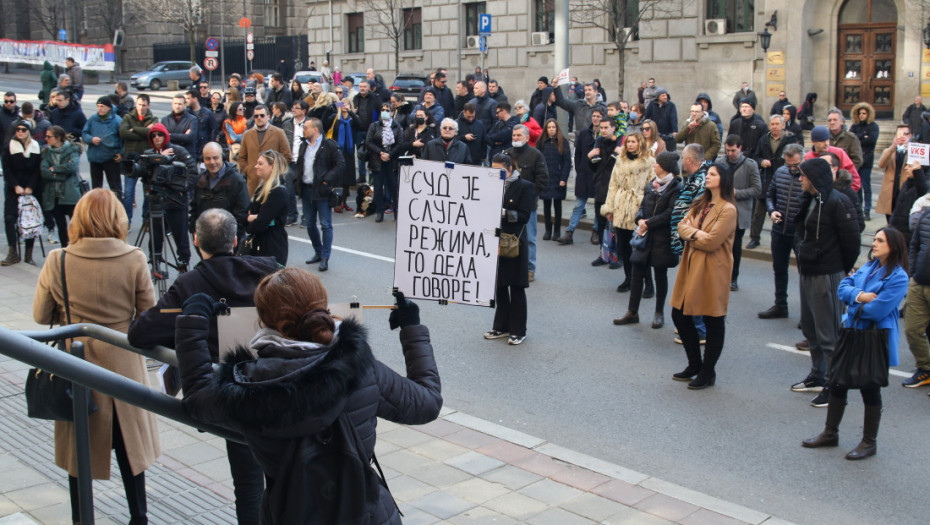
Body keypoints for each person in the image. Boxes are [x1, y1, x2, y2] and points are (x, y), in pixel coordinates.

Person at [174, 268, 441, 523]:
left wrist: (192, 322)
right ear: (324, 307)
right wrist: (412, 329)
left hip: (290, 513)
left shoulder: (248, 387)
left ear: (264, 321)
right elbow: (427, 403)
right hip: (365, 513)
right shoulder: (359, 366)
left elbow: (197, 399)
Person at [128, 208, 277, 524]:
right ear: (236, 240)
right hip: (281, 385)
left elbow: (141, 333)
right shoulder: (270, 272)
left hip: (235, 397)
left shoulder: (191, 284)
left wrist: (190, 332)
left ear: (196, 242)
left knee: (248, 485)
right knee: (287, 476)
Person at [32, 189, 160, 525]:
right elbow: (148, 314)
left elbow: (39, 313)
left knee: (80, 453)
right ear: (117, 218)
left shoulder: (58, 259)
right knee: (130, 450)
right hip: (124, 366)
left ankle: (81, 518)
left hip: (76, 365)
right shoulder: (134, 257)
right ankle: (139, 516)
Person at [803, 227, 909, 460]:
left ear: (893, 246)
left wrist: (853, 300)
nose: (875, 244)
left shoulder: (898, 276)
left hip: (874, 337)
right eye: (875, 239)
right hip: (852, 331)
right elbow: (843, 288)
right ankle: (830, 433)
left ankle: (869, 442)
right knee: (838, 380)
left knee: (869, 386)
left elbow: (878, 309)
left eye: (881, 240)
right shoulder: (870, 267)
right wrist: (860, 296)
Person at [790, 157, 861, 407]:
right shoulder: (809, 200)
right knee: (811, 330)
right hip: (808, 271)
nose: (800, 180)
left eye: (803, 176)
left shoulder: (838, 202)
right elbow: (801, 231)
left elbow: (852, 242)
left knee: (829, 333)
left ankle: (835, 385)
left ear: (814, 178)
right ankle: (817, 375)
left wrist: (837, 268)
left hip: (827, 274)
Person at [670, 162, 738, 389]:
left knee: (713, 319)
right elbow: (681, 226)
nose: (707, 177)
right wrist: (695, 233)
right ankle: (695, 364)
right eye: (707, 174)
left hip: (712, 270)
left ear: (723, 179)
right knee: (679, 314)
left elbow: (712, 242)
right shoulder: (702, 203)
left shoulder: (728, 209)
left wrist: (693, 233)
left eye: (712, 174)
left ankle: (708, 372)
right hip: (691, 266)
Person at [614, 151, 681, 329]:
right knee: (637, 274)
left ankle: (659, 313)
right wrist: (640, 219)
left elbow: (670, 214)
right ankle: (632, 312)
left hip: (662, 239)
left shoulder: (676, 188)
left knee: (660, 275)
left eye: (658, 163)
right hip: (646, 238)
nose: (655, 165)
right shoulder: (652, 184)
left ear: (666, 167)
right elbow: (642, 207)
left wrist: (648, 224)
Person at [484, 154, 535, 345]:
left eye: (501, 171)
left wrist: (503, 212)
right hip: (494, 241)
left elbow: (524, 216)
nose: (497, 173)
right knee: (499, 285)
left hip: (513, 243)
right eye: (494, 169)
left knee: (516, 287)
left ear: (511, 169)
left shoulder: (525, 187)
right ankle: (501, 327)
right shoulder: (489, 184)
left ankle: (518, 330)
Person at [601, 132, 655, 293]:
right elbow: (613, 185)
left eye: (633, 141)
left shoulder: (649, 162)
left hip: (639, 207)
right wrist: (609, 208)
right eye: (628, 142)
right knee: (624, 247)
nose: (630, 144)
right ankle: (628, 278)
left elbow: (652, 187)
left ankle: (648, 283)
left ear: (640, 143)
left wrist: (646, 210)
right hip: (621, 206)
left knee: (641, 248)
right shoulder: (620, 161)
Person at [759, 144, 807, 319]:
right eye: (789, 165)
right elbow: (770, 195)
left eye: (796, 165)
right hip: (780, 228)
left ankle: (807, 313)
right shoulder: (780, 172)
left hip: (800, 232)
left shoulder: (808, 176)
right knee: (779, 268)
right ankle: (780, 305)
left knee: (805, 273)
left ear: (803, 158)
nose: (793, 169)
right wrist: (772, 211)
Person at [144, 123, 197, 272]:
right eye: (153, 135)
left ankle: (184, 263)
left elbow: (193, 171)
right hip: (156, 201)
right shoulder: (148, 154)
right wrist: (158, 158)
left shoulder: (178, 151)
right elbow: (144, 175)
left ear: (165, 136)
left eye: (159, 135)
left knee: (180, 236)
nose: (157, 138)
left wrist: (184, 188)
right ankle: (155, 262)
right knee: (155, 236)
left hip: (176, 201)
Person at [297, 118, 345, 271]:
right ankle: (318, 252)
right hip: (306, 189)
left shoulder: (329, 145)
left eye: (306, 127)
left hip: (322, 190)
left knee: (325, 224)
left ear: (315, 129)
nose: (303, 130)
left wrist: (326, 180)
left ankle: (325, 256)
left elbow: (340, 164)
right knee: (310, 224)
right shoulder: (303, 145)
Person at [505, 124, 548, 282]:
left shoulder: (536, 155)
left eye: (519, 135)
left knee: (529, 238)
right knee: (507, 236)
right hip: (508, 205)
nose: (515, 138)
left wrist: (528, 196)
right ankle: (509, 266)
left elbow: (542, 179)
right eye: (514, 135)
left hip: (528, 206)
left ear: (527, 137)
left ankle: (529, 269)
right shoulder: (507, 154)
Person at [190, 143, 250, 245]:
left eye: (215, 158)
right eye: (207, 159)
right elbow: (194, 209)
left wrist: (230, 235)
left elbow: (242, 211)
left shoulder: (236, 180)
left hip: (229, 241)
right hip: (205, 240)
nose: (212, 162)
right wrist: (194, 230)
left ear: (222, 157)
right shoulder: (200, 180)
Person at [722, 135, 761, 290]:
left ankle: (733, 277)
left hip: (740, 212)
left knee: (735, 246)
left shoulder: (750, 165)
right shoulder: (720, 162)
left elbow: (757, 189)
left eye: (733, 150)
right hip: (721, 211)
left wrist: (736, 193)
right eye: (728, 150)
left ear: (740, 148)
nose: (730, 153)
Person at [558, 108, 602, 245]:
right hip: (584, 174)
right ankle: (569, 232)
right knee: (578, 205)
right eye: (594, 116)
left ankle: (596, 231)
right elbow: (577, 153)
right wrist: (580, 168)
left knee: (598, 206)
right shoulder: (583, 133)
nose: (595, 119)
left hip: (599, 175)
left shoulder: (605, 135)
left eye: (598, 116)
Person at [2, 120, 40, 265]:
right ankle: (13, 252)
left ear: (28, 131)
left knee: (30, 221)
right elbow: (6, 170)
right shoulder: (9, 147)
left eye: (23, 129)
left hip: (31, 188)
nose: (20, 132)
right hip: (14, 188)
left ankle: (28, 255)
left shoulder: (36, 147)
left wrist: (30, 186)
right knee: (10, 218)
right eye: (18, 129)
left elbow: (37, 170)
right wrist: (15, 185)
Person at [40, 126, 81, 247]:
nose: (46, 139)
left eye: (48, 136)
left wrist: (55, 169)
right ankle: (65, 249)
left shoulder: (72, 149)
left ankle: (77, 248)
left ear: (57, 138)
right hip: (54, 195)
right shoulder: (47, 152)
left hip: (70, 193)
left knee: (76, 224)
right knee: (61, 226)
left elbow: (72, 167)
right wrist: (62, 175)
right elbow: (44, 172)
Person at [238, 104, 292, 196]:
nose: (259, 118)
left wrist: (275, 171)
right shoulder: (247, 134)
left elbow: (286, 156)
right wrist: (248, 170)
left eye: (262, 115)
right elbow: (241, 157)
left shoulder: (279, 132)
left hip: (272, 183)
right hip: (253, 183)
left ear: (268, 117)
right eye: (256, 116)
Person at [365, 102, 404, 222]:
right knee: (378, 187)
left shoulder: (397, 126)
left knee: (393, 187)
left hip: (391, 161)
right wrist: (380, 153)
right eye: (383, 110)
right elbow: (368, 142)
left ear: (392, 112)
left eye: (388, 110)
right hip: (377, 159)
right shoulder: (374, 125)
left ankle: (397, 213)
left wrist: (389, 154)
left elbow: (399, 144)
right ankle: (379, 212)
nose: (385, 112)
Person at [589, 117, 621, 254]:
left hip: (614, 192)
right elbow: (593, 168)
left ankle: (617, 256)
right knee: (601, 225)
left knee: (615, 226)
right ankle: (604, 253)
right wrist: (590, 158)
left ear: (613, 128)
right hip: (600, 189)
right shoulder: (599, 143)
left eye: (606, 127)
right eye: (601, 128)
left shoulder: (619, 145)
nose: (603, 130)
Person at [536, 119, 571, 242]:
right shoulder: (541, 142)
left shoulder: (563, 142)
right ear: (546, 129)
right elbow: (538, 161)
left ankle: (557, 231)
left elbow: (567, 162)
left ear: (557, 129)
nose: (551, 129)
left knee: (557, 205)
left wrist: (563, 178)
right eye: (549, 127)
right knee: (546, 206)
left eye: (553, 127)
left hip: (558, 178)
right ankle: (548, 230)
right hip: (546, 178)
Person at [82, 96, 123, 198]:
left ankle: (117, 208)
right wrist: (91, 139)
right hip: (95, 158)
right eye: (98, 106)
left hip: (111, 157)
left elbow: (123, 138)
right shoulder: (93, 119)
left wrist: (121, 153)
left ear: (109, 108)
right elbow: (84, 133)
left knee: (115, 187)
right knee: (96, 189)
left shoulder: (117, 120)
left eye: (102, 106)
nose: (100, 108)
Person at [331, 99, 363, 211]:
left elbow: (360, 125)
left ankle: (344, 203)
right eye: (342, 103)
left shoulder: (352, 119)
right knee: (338, 179)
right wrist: (336, 104)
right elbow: (326, 119)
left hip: (349, 152)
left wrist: (351, 112)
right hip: (337, 151)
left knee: (347, 180)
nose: (345, 106)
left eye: (347, 103)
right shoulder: (336, 118)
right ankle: (337, 203)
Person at [877, 125, 913, 222]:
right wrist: (893, 147)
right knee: (890, 221)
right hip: (891, 192)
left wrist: (909, 148)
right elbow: (881, 164)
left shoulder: (913, 151)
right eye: (899, 134)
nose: (902, 137)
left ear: (911, 136)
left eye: (906, 134)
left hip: (904, 191)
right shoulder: (889, 151)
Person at [850, 102, 878, 221]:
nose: (862, 115)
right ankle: (858, 209)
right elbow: (852, 139)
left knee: (866, 185)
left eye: (864, 113)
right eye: (860, 113)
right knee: (857, 186)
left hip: (867, 160)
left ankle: (867, 210)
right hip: (856, 160)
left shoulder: (873, 126)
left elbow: (871, 140)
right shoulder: (854, 126)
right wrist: (863, 136)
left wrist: (859, 137)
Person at [185, 90, 216, 163]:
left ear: (195, 99)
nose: (186, 101)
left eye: (188, 98)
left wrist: (211, 144)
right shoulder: (186, 113)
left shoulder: (207, 113)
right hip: (191, 146)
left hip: (203, 145)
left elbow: (213, 129)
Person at [643, 88, 677, 152]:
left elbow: (673, 118)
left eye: (666, 95)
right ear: (658, 97)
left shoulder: (671, 105)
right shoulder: (652, 104)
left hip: (667, 132)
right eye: (663, 95)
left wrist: (674, 131)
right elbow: (646, 116)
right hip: (655, 132)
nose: (665, 97)